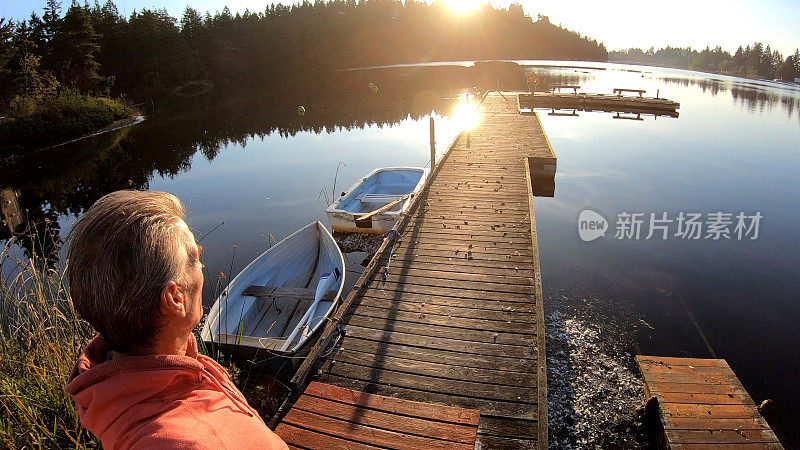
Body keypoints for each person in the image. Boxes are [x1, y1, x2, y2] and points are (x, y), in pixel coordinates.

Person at [64, 190, 288, 449]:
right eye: (194, 259)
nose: (202, 267)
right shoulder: (198, 441)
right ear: (175, 298)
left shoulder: (114, 384)